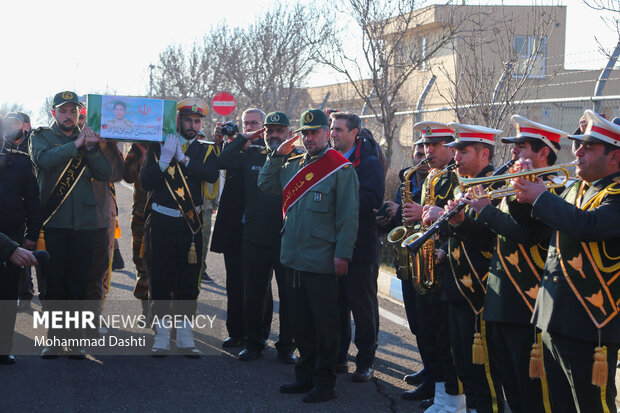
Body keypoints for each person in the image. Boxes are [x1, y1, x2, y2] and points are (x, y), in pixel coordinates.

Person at [513, 109, 620, 413]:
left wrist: (541, 196)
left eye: (589, 146)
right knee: (557, 403)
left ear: (614, 158)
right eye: (577, 144)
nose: (578, 151)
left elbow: (587, 226)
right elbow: (532, 226)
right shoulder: (577, 188)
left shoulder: (616, 194)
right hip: (554, 315)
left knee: (590, 406)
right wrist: (523, 188)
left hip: (590, 323)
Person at [462, 115, 565, 413]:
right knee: (512, 390)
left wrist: (485, 210)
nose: (513, 153)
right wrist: (460, 220)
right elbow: (490, 239)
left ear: (543, 151)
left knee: (533, 395)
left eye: (521, 147)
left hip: (527, 302)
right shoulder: (515, 186)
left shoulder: (553, 190)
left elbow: (527, 235)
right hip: (500, 299)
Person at [258, 109, 359, 403]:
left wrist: (343, 254)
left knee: (325, 326)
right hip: (293, 257)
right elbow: (265, 184)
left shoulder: (341, 169)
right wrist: (277, 154)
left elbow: (348, 218)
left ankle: (325, 384)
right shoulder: (292, 165)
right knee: (300, 323)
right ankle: (304, 377)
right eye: (305, 133)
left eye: (315, 132)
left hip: (323, 260)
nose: (310, 138)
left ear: (328, 134)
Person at [429, 124, 505, 413]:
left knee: (484, 370)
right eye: (456, 149)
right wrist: (443, 245)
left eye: (463, 150)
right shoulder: (466, 184)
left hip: (480, 289)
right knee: (462, 362)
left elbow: (488, 238)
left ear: (484, 153)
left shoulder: (497, 185)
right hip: (458, 284)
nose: (455, 155)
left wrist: (453, 221)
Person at [29, 90, 112, 359]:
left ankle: (76, 340)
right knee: (54, 284)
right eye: (63, 111)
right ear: (54, 113)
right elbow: (44, 160)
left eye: (73, 111)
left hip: (86, 223)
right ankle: (54, 339)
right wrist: (77, 144)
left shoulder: (88, 138)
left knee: (79, 282)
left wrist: (91, 148)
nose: (68, 116)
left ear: (79, 114)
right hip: (53, 221)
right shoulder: (41, 135)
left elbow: (105, 173)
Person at [219, 111, 300, 364]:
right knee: (253, 293)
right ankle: (254, 342)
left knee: (288, 296)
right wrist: (243, 137)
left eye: (279, 130)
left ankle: (286, 346)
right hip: (254, 236)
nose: (274, 135)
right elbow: (223, 160)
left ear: (288, 132)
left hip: (286, 237)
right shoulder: (252, 154)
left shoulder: (299, 158)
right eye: (270, 131)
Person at [140, 97, 219, 357]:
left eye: (197, 121)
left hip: (190, 224)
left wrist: (182, 159)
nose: (193, 125)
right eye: (188, 120)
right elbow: (146, 182)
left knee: (188, 281)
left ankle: (185, 335)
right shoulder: (158, 145)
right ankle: (162, 335)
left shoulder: (206, 150)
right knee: (160, 278)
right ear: (178, 121)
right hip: (162, 222)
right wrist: (164, 161)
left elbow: (211, 175)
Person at [404, 121, 463, 411]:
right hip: (428, 262)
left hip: (446, 262)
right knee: (428, 329)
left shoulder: (455, 177)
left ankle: (449, 398)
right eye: (425, 145)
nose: (428, 151)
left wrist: (441, 247)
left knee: (444, 336)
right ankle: (437, 389)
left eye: (434, 145)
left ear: (451, 147)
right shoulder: (431, 176)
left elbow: (457, 220)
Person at [376, 142, 434, 397]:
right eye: (419, 154)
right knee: (416, 324)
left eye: (426, 154)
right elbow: (401, 219)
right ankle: (428, 367)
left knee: (429, 323)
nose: (422, 159)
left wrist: (403, 212)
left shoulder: (438, 181)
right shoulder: (407, 181)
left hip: (428, 262)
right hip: (408, 262)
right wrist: (388, 218)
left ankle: (435, 377)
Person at [330, 111, 384, 382]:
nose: (333, 133)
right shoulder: (329, 159)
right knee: (337, 305)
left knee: (362, 308)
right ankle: (339, 357)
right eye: (332, 128)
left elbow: (371, 200)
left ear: (354, 133)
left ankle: (365, 361)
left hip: (361, 247)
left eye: (339, 129)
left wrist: (334, 200)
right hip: (333, 244)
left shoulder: (369, 161)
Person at [211, 108, 271, 349]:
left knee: (259, 285)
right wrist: (239, 141)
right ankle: (235, 332)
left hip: (259, 228)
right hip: (235, 227)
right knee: (234, 282)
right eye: (246, 123)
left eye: (254, 123)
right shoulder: (237, 149)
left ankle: (259, 334)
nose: (249, 127)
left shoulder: (268, 152)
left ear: (264, 126)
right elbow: (221, 161)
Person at [0, 114, 42, 364]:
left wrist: (31, 237)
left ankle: (4, 348)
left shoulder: (21, 162)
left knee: (6, 295)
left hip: (13, 239)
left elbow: (33, 202)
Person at [197, 129, 219, 284]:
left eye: (202, 139)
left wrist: (214, 202)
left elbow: (215, 181)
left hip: (206, 207)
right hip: (191, 207)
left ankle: (201, 270)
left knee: (204, 241)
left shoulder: (209, 158)